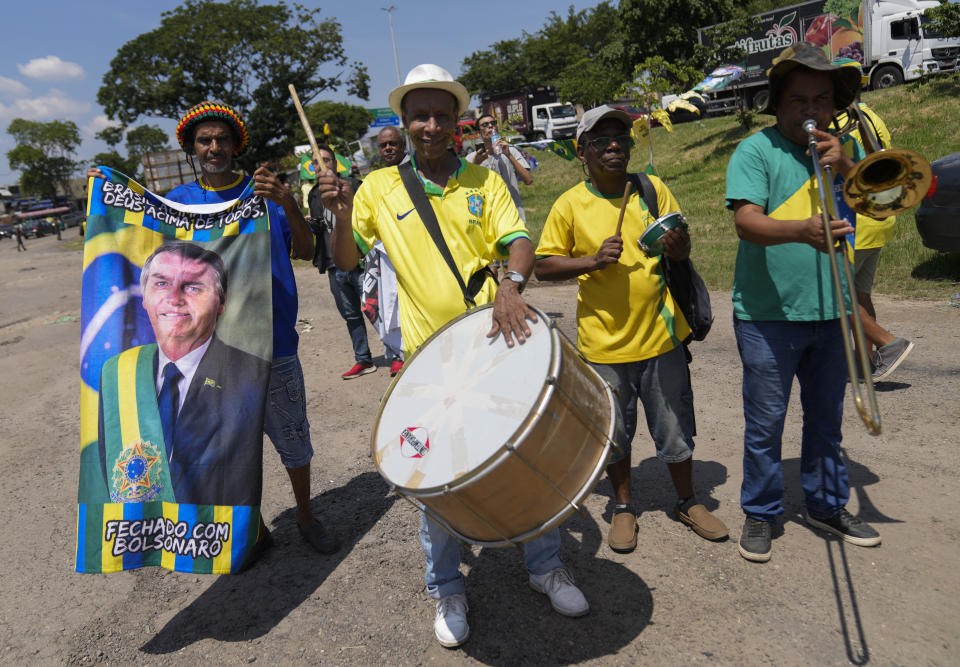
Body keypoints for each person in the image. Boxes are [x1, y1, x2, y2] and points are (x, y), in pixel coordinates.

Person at [317, 64, 589, 648]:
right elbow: (344, 261)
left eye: (443, 114)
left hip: (494, 345)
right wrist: (339, 214)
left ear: (455, 120)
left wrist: (512, 285)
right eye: (421, 115)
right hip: (426, 360)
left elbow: (518, 241)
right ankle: (447, 587)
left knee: (524, 453)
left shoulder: (483, 182)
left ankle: (545, 566)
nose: (432, 125)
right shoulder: (378, 189)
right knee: (435, 477)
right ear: (406, 122)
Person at [113, 101, 340, 554]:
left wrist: (289, 201)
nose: (214, 147)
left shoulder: (265, 195)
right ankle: (247, 530)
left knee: (293, 439)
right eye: (204, 140)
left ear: (237, 145)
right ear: (192, 148)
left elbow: (304, 249)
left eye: (222, 139)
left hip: (272, 344)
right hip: (208, 351)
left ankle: (306, 515)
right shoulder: (177, 203)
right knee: (224, 449)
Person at [535, 105, 728, 555]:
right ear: (582, 151)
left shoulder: (651, 189)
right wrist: (590, 261)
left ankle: (687, 501)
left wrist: (680, 250)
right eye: (601, 141)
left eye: (621, 138)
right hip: (603, 346)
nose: (614, 146)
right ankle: (624, 508)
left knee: (675, 427)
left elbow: (678, 243)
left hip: (662, 338)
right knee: (614, 432)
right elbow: (543, 266)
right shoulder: (569, 204)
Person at [725, 44, 882, 563]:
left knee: (826, 420)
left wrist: (848, 166)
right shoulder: (756, 150)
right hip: (769, 316)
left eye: (820, 100)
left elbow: (879, 206)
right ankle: (761, 511)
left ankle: (827, 505)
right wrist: (801, 230)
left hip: (831, 311)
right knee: (767, 423)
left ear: (834, 105)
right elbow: (746, 221)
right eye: (798, 101)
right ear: (778, 103)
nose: (810, 111)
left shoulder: (844, 155)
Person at [97, 242, 269, 505]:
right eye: (162, 284)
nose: (174, 298)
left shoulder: (251, 375)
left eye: (193, 286)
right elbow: (107, 465)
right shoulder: (117, 372)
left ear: (221, 301)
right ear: (144, 296)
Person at [832, 58, 914, 382]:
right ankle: (866, 364)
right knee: (861, 295)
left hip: (859, 220)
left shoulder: (841, 119)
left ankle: (884, 347)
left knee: (841, 296)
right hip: (881, 219)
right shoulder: (872, 116)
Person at [307, 143, 376, 379]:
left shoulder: (354, 185)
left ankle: (398, 354)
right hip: (333, 265)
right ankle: (363, 359)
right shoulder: (314, 194)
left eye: (325, 160)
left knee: (376, 310)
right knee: (351, 314)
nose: (321, 165)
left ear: (336, 164)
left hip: (361, 261)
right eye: (316, 162)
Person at [466, 114, 533, 220]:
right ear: (479, 133)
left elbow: (528, 180)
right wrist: (475, 164)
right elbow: (464, 187)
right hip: (488, 217)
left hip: (513, 214)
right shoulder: (472, 158)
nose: (490, 126)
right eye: (485, 124)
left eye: (493, 123)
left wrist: (509, 155)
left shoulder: (510, 151)